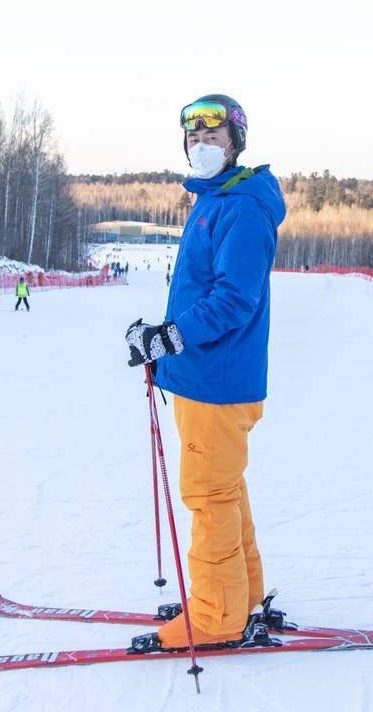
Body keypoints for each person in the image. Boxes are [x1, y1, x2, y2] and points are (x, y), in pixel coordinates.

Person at [125, 93, 285, 650]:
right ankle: (239, 596)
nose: (201, 147)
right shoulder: (216, 200)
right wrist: (162, 337)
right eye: (193, 138)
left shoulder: (240, 206)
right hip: (206, 376)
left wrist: (171, 336)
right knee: (225, 489)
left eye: (212, 137)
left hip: (217, 380)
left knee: (209, 495)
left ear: (235, 143)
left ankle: (217, 617)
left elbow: (234, 299)